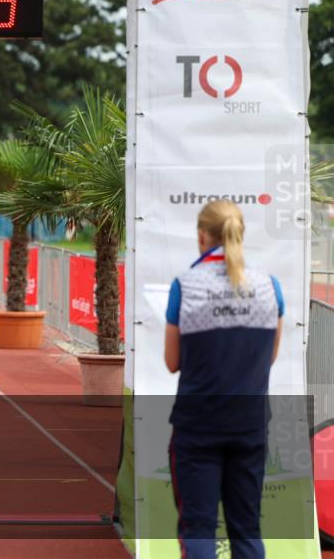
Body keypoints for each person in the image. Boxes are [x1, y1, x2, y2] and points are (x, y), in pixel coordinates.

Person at [164, 200, 283, 559]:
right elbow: (270, 357)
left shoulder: (186, 285)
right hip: (249, 425)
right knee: (246, 528)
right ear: (240, 233)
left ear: (202, 236)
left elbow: (172, 363)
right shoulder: (269, 286)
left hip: (198, 425)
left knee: (198, 528)